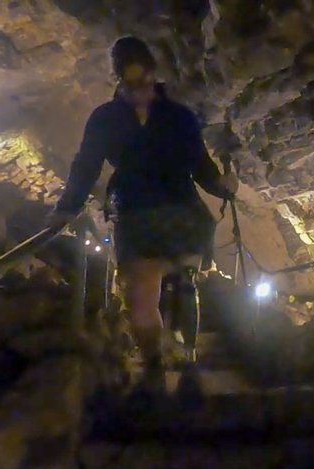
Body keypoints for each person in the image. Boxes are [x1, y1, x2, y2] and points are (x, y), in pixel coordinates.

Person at [48, 36, 238, 389]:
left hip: (165, 210)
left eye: (143, 83)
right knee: (150, 291)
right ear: (120, 79)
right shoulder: (165, 116)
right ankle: (160, 359)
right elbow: (86, 165)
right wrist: (66, 208)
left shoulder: (164, 117)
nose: (139, 92)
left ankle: (172, 357)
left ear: (151, 75)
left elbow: (201, 166)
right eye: (132, 84)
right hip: (148, 211)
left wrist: (223, 186)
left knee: (170, 284)